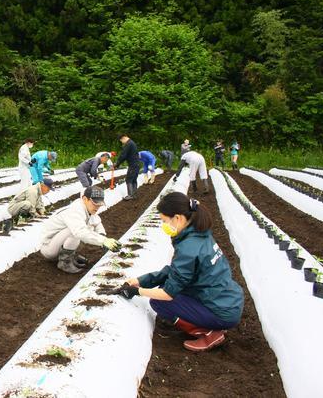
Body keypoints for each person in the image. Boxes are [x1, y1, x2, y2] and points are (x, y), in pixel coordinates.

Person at [112, 192, 244, 352]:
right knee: (165, 290)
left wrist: (137, 291)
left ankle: (210, 333)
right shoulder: (200, 234)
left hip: (222, 311)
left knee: (159, 302)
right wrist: (141, 280)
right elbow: (175, 272)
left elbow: (168, 293)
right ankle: (207, 323)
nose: (164, 225)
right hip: (227, 300)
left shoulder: (188, 247)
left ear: (178, 218)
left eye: (164, 221)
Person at [40, 186, 122, 273]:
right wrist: (103, 241)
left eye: (99, 204)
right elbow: (80, 232)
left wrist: (103, 236)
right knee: (78, 232)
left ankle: (71, 257)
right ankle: (65, 262)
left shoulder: (88, 209)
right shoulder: (74, 210)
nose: (97, 207)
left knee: (86, 230)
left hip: (59, 245)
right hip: (49, 249)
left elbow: (97, 224)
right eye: (95, 203)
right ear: (85, 199)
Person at [113, 134, 140, 201]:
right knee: (133, 180)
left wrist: (117, 164)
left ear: (123, 138)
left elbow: (123, 155)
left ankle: (130, 195)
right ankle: (134, 195)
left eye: (121, 141)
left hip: (133, 165)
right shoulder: (132, 143)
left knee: (129, 180)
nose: (122, 142)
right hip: (136, 164)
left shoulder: (128, 144)